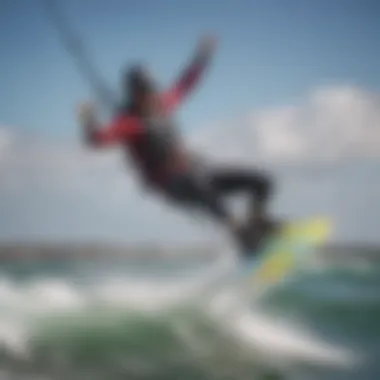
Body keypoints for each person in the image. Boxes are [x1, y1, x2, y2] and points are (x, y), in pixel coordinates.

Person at [77, 35, 278, 256]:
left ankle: (259, 222)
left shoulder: (165, 103)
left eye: (152, 89)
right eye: (145, 91)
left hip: (196, 172)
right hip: (171, 185)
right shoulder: (128, 123)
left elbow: (187, 82)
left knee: (262, 182)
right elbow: (97, 140)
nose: (151, 95)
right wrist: (87, 119)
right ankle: (241, 235)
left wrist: (203, 54)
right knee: (198, 184)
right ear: (135, 94)